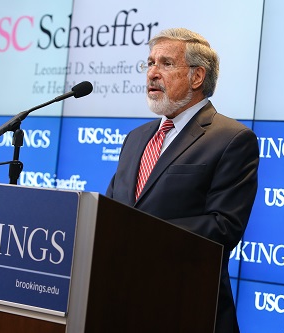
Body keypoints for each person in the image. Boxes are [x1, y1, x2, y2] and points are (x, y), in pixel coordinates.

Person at [106, 28, 259, 333]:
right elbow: (111, 210)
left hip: (186, 305)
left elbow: (223, 226)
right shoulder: (136, 138)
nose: (152, 73)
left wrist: (139, 233)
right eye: (149, 63)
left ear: (197, 77)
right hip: (121, 302)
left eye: (165, 63)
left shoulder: (232, 139)